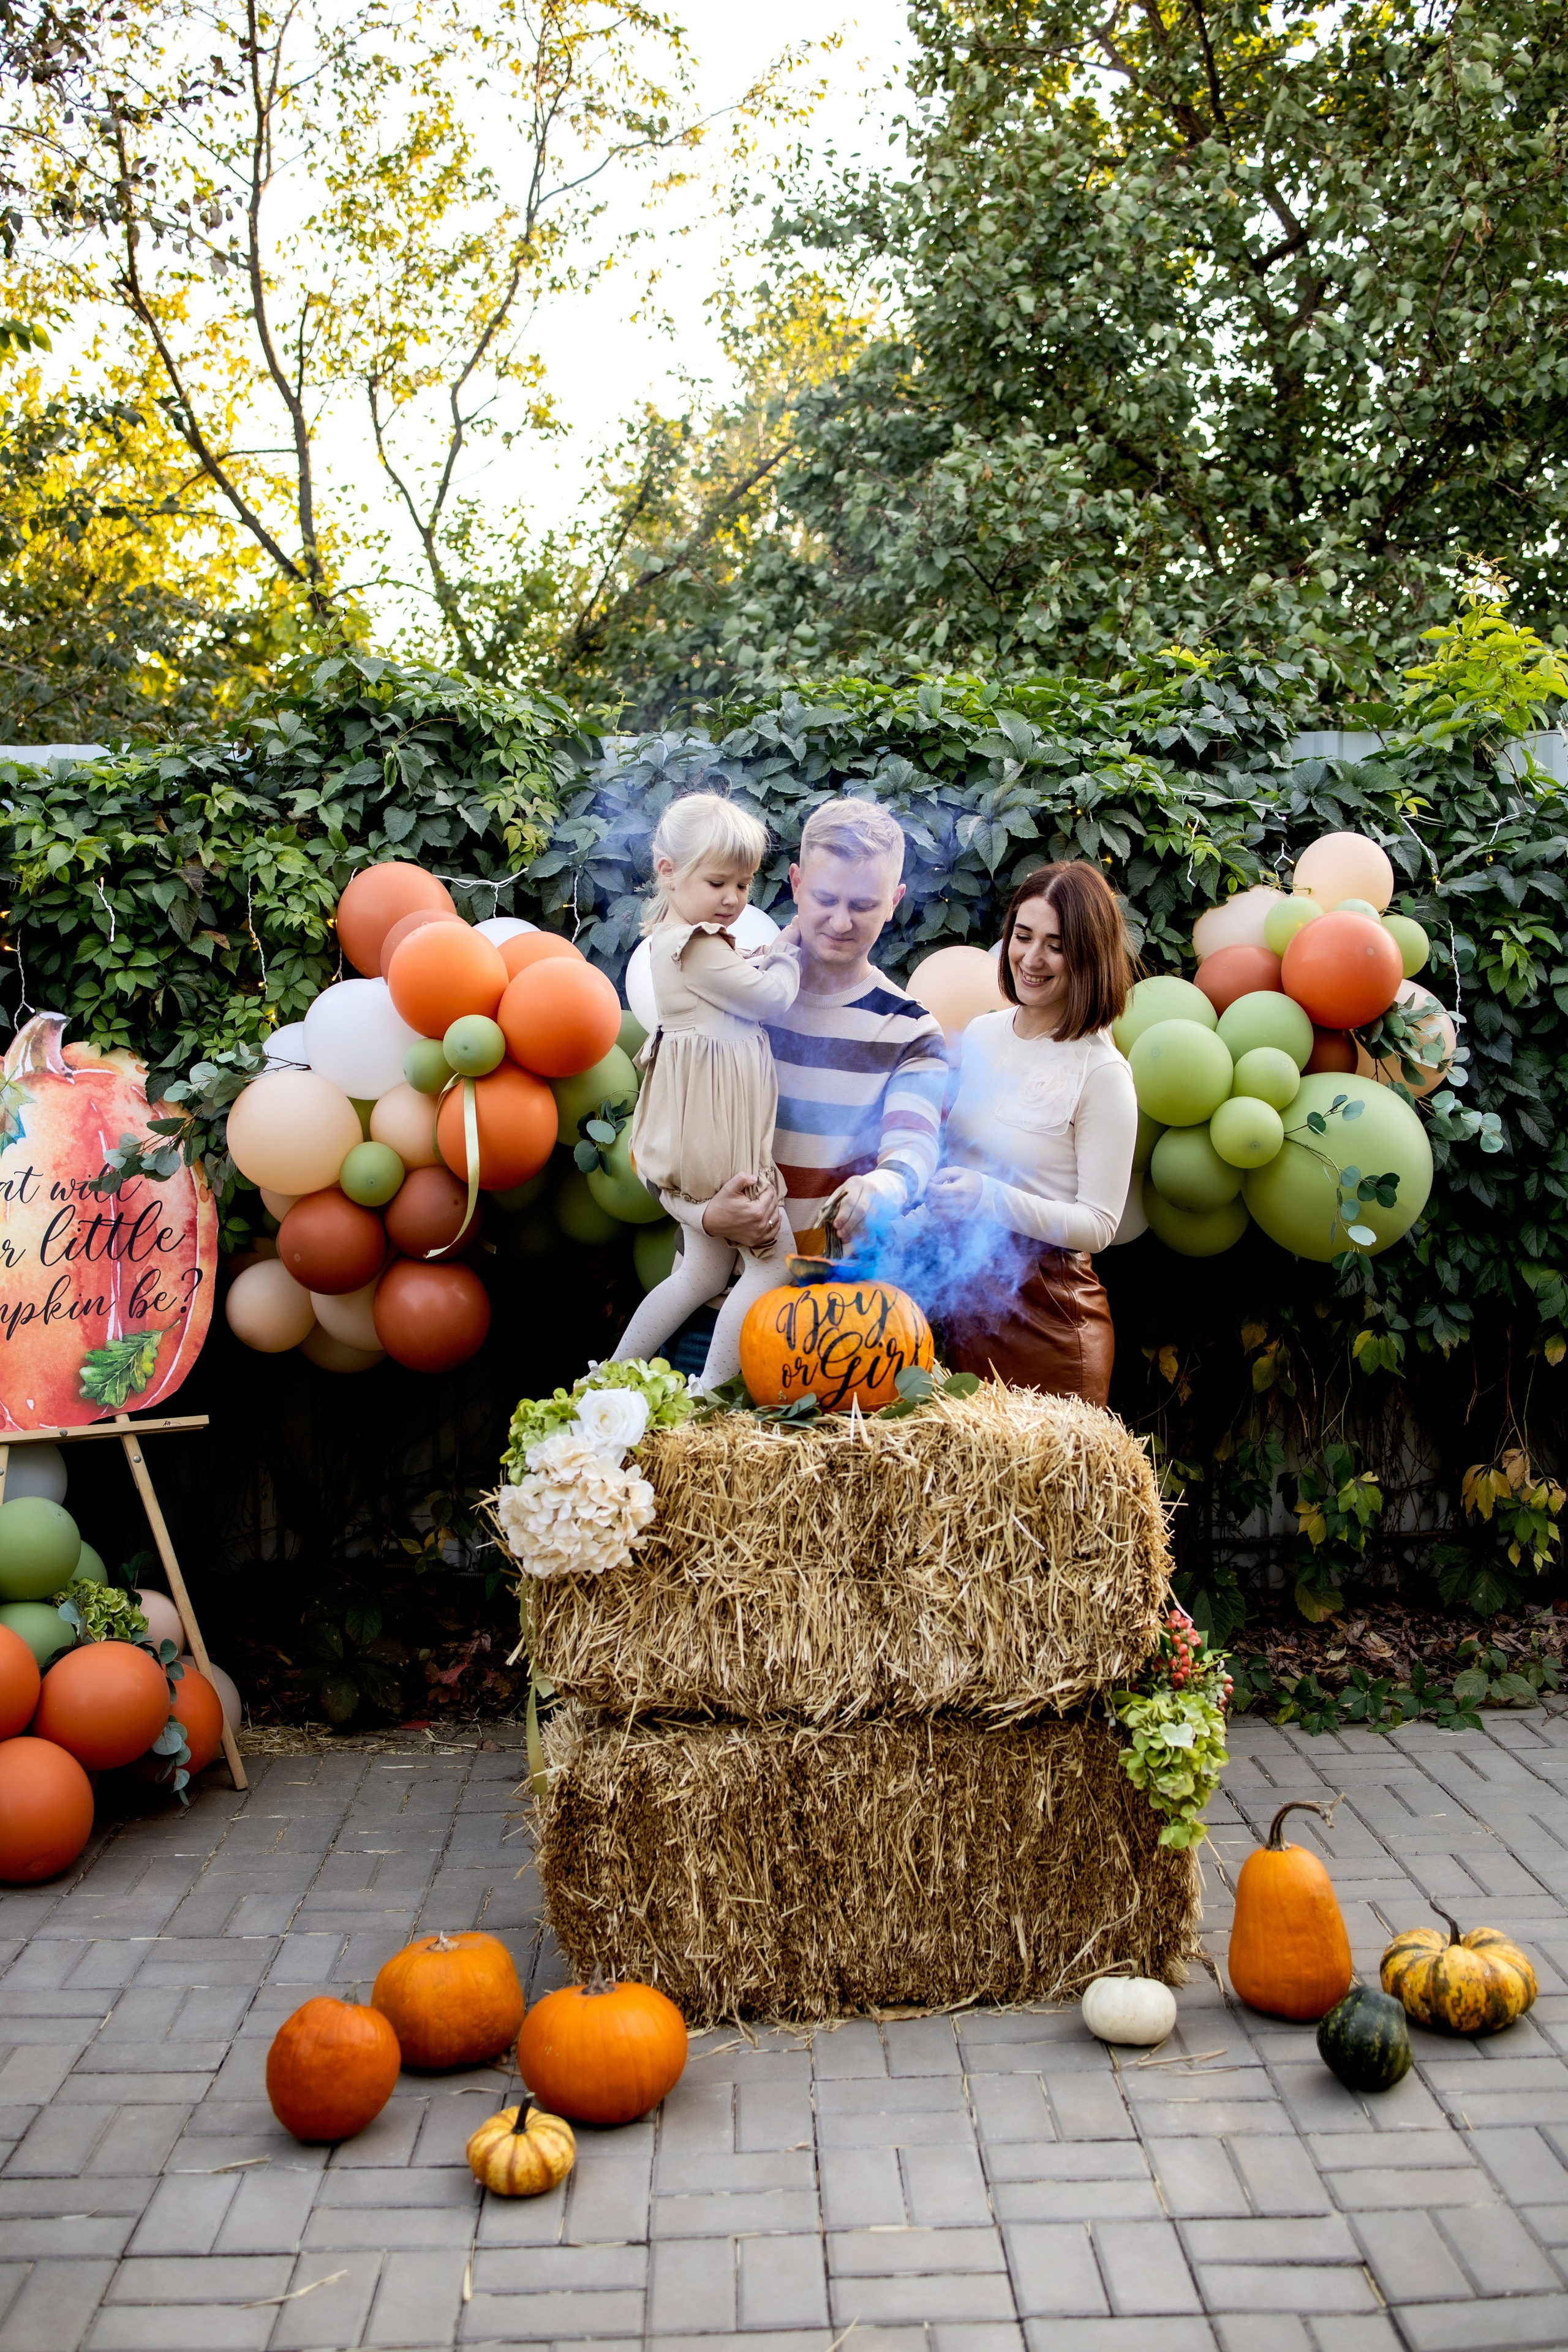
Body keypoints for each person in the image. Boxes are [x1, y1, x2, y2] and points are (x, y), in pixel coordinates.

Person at [924, 861, 1137, 1406]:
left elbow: (1099, 1226)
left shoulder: (1102, 1072)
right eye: (1023, 936)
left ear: (1089, 957)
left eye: (1056, 946)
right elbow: (955, 1162)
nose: (1032, 959)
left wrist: (987, 1197)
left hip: (1051, 1323)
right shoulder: (982, 1034)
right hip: (969, 1310)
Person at [698, 797, 948, 1262]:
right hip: (708, 1288)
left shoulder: (911, 1031)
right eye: (826, 899)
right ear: (796, 884)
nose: (841, 921)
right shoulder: (730, 990)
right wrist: (706, 1215)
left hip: (829, 1296)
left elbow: (913, 1147)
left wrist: (884, 1185)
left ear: (893, 903)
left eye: (863, 905)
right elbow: (661, 1129)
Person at [609, 791, 800, 1388]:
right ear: (668, 871)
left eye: (743, 885)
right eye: (718, 883)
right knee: (773, 1263)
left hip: (696, 1136)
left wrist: (759, 956)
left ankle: (610, 1377)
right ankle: (710, 1391)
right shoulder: (696, 947)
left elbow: (731, 980)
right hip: (720, 1143)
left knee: (701, 1274)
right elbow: (771, 999)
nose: (733, 899)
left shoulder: (677, 942)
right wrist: (788, 956)